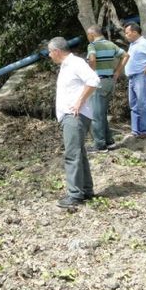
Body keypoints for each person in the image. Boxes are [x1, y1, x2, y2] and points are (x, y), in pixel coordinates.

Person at [47, 37, 100, 208]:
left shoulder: (75, 63)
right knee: (79, 153)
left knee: (72, 154)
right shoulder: (66, 66)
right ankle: (86, 190)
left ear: (57, 51)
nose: (49, 55)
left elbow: (94, 81)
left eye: (50, 52)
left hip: (74, 116)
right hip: (70, 116)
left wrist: (79, 102)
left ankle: (75, 195)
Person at [86, 25, 128, 152]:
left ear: (92, 35)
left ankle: (100, 145)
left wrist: (90, 73)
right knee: (102, 113)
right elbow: (126, 55)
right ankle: (109, 141)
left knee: (96, 115)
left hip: (99, 82)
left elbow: (92, 59)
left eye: (88, 35)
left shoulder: (92, 45)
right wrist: (117, 72)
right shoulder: (111, 44)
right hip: (110, 81)